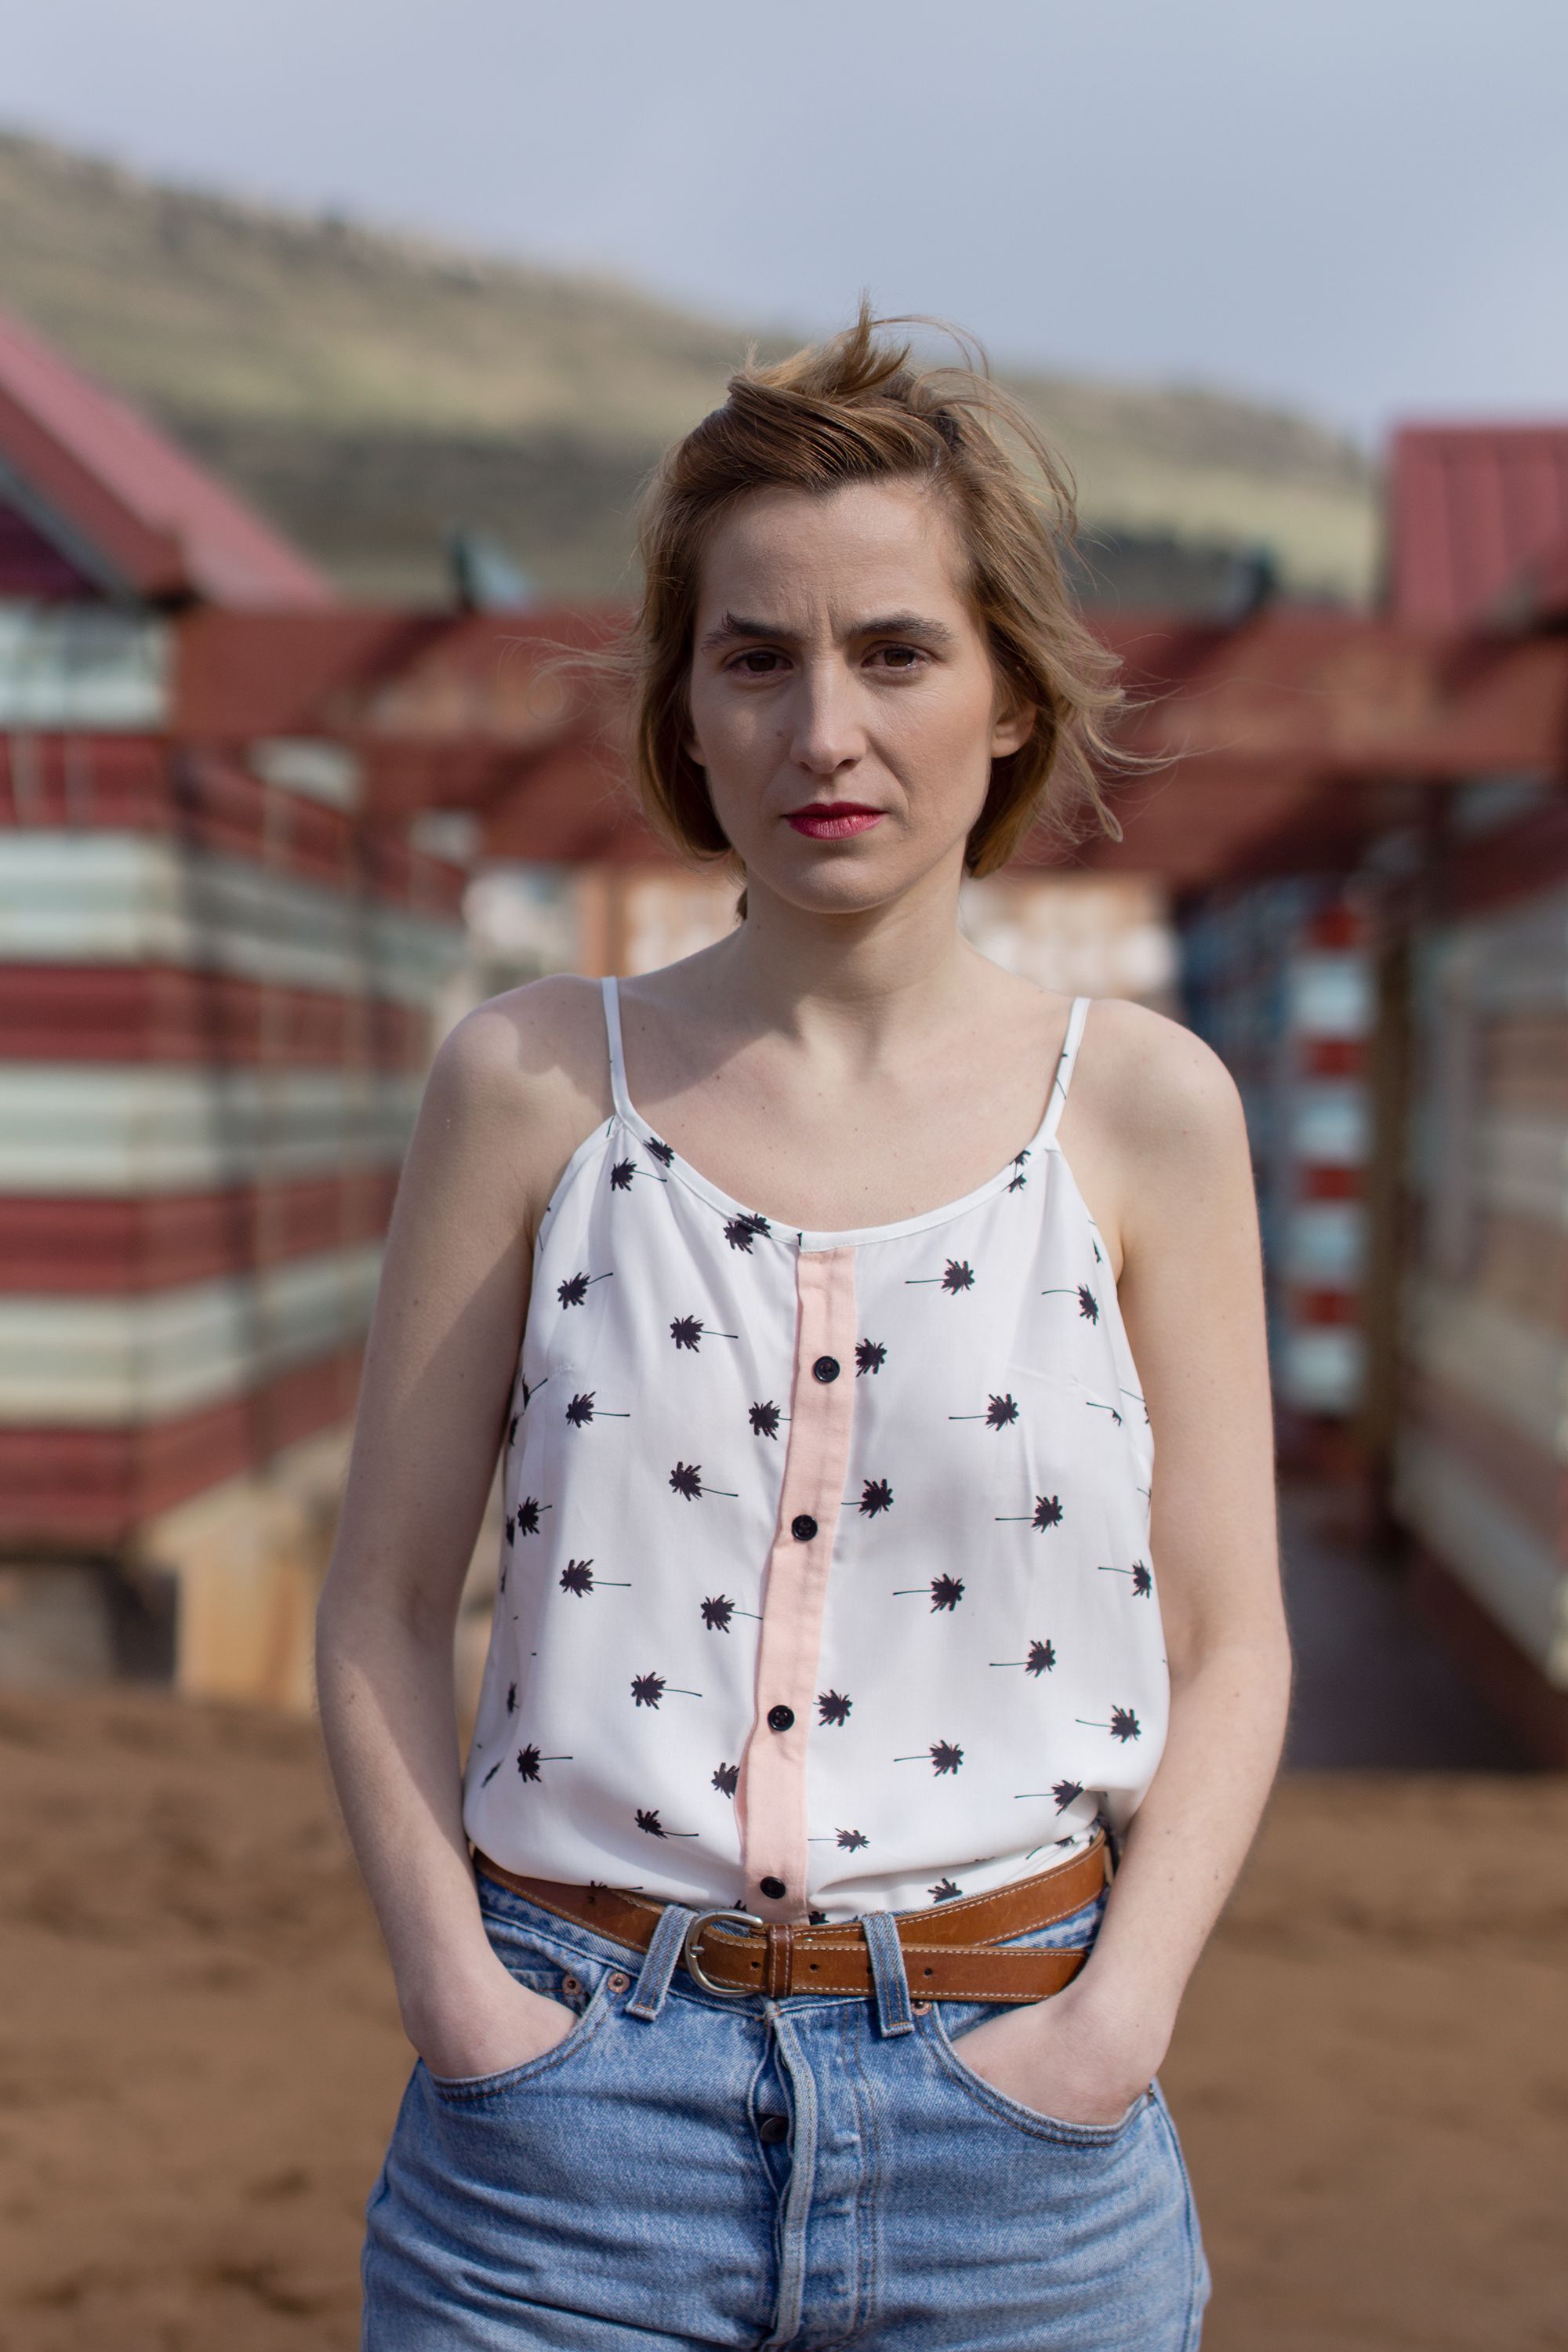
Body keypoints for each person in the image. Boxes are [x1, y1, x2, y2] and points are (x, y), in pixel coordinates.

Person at [318, 306, 1290, 2350]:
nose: (822, 730)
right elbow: (385, 1600)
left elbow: (1231, 1641)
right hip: (564, 2145)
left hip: (1022, 2143)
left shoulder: (1145, 1112)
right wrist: (463, 2006)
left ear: (1012, 695)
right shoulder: (530, 1087)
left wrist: (1115, 2027)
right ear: (685, 708)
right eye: (755, 657)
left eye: (897, 653)